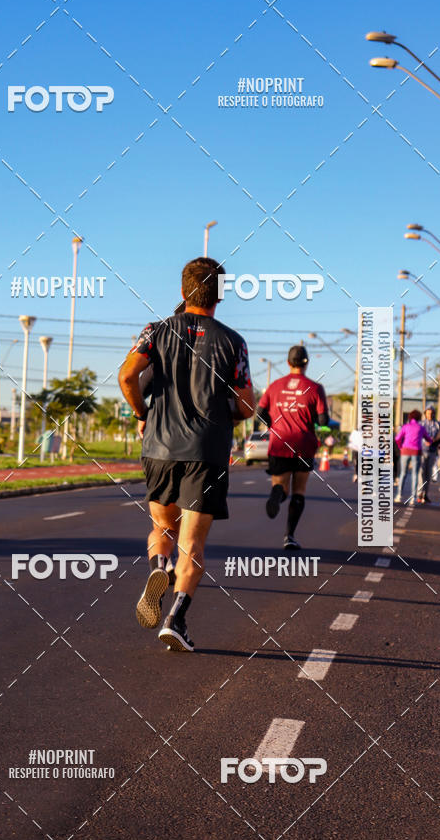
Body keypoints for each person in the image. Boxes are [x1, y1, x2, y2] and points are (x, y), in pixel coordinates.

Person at [118, 257, 255, 652]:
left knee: (163, 527)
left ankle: (158, 567)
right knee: (192, 545)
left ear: (182, 292)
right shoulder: (233, 342)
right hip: (207, 452)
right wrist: (227, 409)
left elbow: (127, 375)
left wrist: (143, 413)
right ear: (219, 297)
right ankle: (176, 618)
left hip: (159, 448)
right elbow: (247, 406)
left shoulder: (155, 332)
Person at [255, 345, 329, 550]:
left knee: (281, 485)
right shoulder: (315, 388)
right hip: (304, 443)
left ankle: (277, 493)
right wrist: (312, 420)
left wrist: (273, 425)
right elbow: (324, 419)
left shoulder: (274, 386)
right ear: (307, 363)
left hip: (279, 442)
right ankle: (289, 536)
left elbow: (259, 413)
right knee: (299, 490)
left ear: (288, 363)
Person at [394, 410, 428, 505]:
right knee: (415, 474)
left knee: (403, 473)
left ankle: (399, 495)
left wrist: (401, 447)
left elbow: (397, 438)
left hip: (405, 451)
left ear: (410, 417)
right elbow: (428, 438)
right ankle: (413, 497)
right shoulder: (421, 428)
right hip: (416, 452)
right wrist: (430, 441)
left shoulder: (405, 427)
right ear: (419, 418)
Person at [418, 406, 440, 503]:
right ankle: (420, 492)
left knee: (428, 474)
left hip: (432, 452)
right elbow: (417, 436)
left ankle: (425, 494)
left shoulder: (438, 424)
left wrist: (435, 442)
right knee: (421, 472)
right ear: (425, 413)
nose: (430, 415)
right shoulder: (421, 424)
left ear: (434, 413)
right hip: (422, 451)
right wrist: (425, 441)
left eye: (431, 413)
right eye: (428, 413)